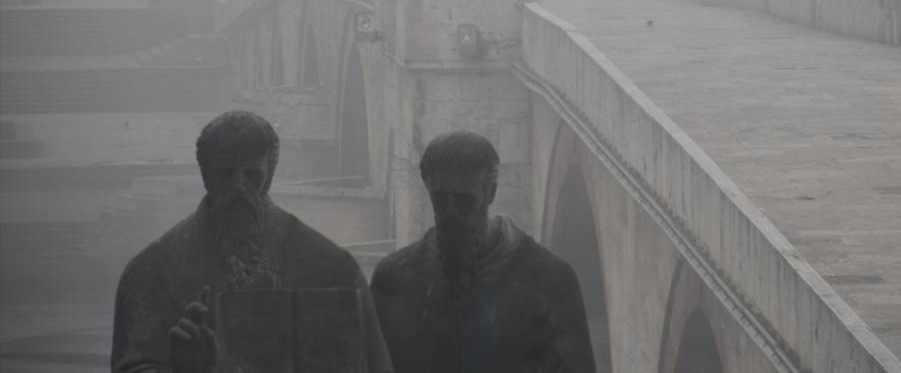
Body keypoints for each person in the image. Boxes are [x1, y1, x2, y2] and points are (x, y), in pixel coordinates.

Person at [110, 111, 392, 373]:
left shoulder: (334, 270)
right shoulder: (150, 275)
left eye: (252, 175)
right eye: (226, 174)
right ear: (206, 175)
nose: (239, 187)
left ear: (269, 175)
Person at [371, 131, 596, 372]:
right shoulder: (393, 279)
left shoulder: (549, 279)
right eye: (440, 200)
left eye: (464, 201)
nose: (451, 213)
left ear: (491, 193)